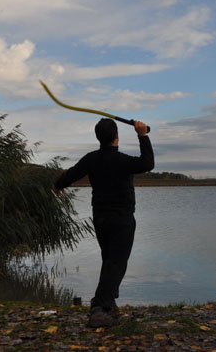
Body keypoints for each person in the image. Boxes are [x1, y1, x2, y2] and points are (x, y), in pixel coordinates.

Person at [54, 118, 154, 328]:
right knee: (116, 263)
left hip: (100, 219)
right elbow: (147, 163)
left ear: (98, 137)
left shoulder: (91, 159)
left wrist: (58, 184)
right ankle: (98, 308)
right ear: (116, 136)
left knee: (110, 260)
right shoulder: (122, 161)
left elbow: (71, 174)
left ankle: (109, 304)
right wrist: (142, 135)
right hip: (122, 219)